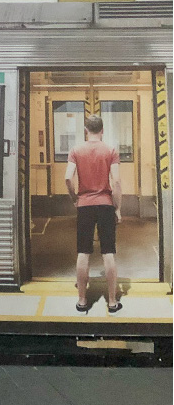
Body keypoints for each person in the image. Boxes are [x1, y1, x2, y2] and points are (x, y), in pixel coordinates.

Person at [65, 114, 123, 314]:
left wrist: (75, 198)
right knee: (108, 252)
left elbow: (67, 178)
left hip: (85, 205)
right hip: (106, 204)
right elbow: (116, 182)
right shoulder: (110, 150)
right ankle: (113, 302)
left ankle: (82, 300)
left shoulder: (76, 150)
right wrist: (117, 208)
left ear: (85, 129)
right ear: (103, 130)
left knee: (83, 252)